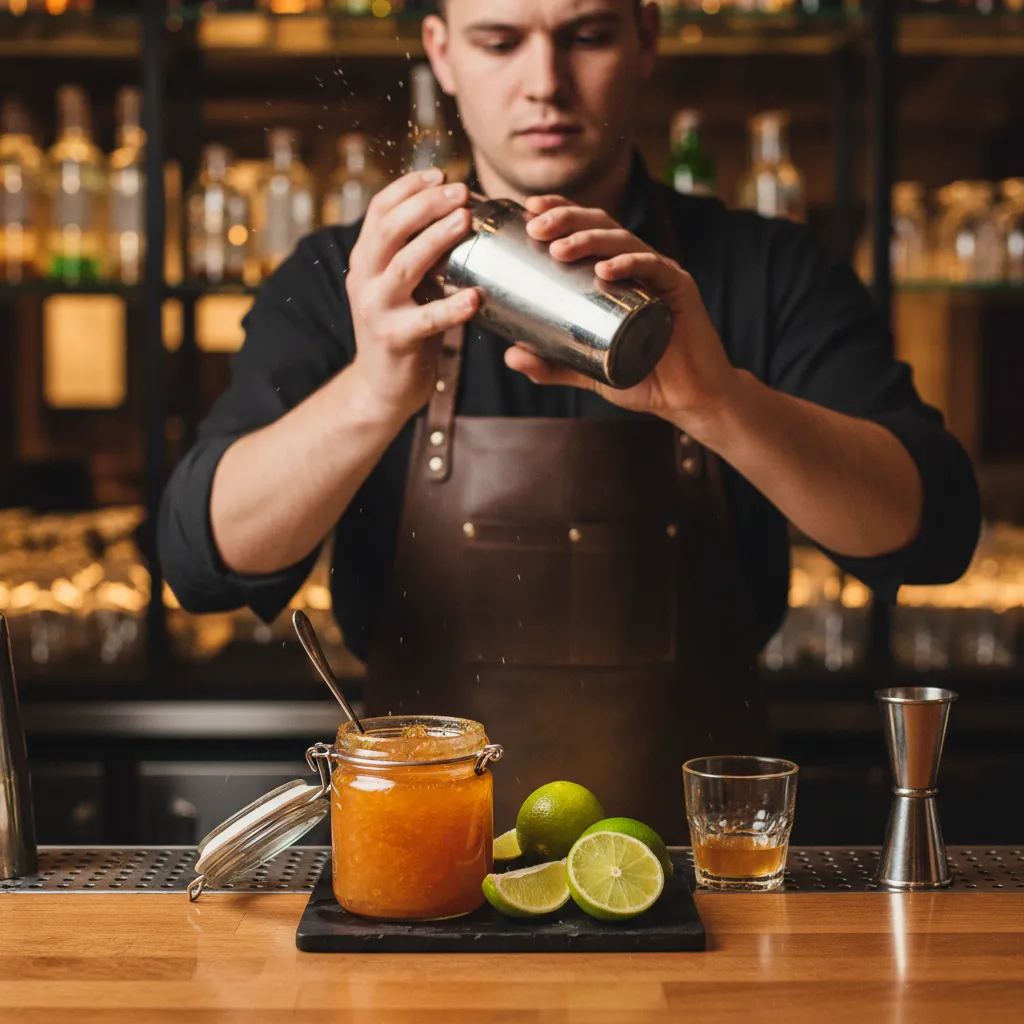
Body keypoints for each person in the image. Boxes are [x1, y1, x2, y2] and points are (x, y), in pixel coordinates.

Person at [158, 0, 980, 839]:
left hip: (714, 876)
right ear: (442, 54)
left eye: (584, 36)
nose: (544, 83)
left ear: (646, 39)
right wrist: (371, 394)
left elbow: (929, 529)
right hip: (419, 866)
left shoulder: (768, 270)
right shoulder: (356, 276)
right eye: (500, 41)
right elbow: (203, 559)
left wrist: (719, 402)